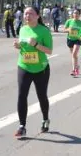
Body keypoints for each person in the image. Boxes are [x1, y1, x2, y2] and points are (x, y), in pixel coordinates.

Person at [13, 7, 53, 137]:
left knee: (41, 96)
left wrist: (36, 45)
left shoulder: (44, 31)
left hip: (40, 68)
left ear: (37, 16)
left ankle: (45, 119)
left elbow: (49, 51)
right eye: (25, 13)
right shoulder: (23, 29)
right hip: (24, 66)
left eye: (30, 13)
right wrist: (18, 45)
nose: (27, 16)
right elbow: (22, 45)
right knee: (21, 95)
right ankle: (22, 126)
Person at [64, 9, 81, 76]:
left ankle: (74, 70)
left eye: (77, 13)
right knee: (73, 55)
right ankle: (77, 66)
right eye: (74, 13)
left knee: (74, 54)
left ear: (79, 15)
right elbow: (64, 29)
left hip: (78, 40)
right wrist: (68, 30)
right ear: (72, 14)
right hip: (70, 39)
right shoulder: (69, 21)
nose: (76, 14)